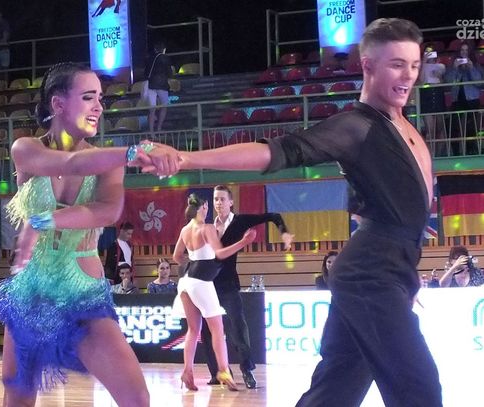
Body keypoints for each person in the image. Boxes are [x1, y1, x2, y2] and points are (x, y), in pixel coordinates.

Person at [136, 18, 443, 406]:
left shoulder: (401, 124)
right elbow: (276, 153)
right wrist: (186, 158)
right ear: (368, 65)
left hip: (384, 270)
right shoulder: (356, 126)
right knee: (420, 390)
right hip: (371, 273)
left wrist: (403, 276)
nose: (409, 75)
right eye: (397, 64)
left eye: (414, 65)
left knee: (335, 390)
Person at [0, 62, 150, 407]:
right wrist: (131, 153)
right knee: (18, 398)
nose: (99, 107)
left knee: (136, 398)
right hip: (32, 292)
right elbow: (68, 164)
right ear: (58, 103)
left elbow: (108, 211)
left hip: (84, 293)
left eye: (100, 99)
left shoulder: (106, 161)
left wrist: (44, 221)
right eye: (88, 97)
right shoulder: (25, 149)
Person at [200, 184, 293, 388]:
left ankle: (247, 370)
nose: (218, 203)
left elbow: (274, 216)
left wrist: (284, 233)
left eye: (222, 199)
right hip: (207, 285)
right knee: (207, 331)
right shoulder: (208, 227)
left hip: (228, 284)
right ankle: (217, 372)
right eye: (216, 199)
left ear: (231, 202)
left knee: (238, 327)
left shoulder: (240, 221)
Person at [172, 193, 256, 392]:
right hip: (201, 283)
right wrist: (243, 242)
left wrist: (194, 262)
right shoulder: (206, 228)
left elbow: (176, 257)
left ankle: (187, 371)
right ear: (205, 207)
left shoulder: (185, 229)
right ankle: (223, 370)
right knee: (217, 329)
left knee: (193, 330)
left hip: (185, 282)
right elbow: (220, 253)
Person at [444, 41, 483, 155]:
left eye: (466, 50)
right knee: (454, 126)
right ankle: (456, 152)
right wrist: (454, 68)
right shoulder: (452, 66)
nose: (464, 53)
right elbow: (448, 83)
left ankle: (471, 151)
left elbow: (479, 83)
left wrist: (471, 68)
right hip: (457, 99)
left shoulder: (476, 66)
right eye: (462, 50)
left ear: (470, 52)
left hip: (472, 99)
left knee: (471, 126)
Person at [419, 47, 446, 156]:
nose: (429, 54)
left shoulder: (441, 66)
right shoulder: (421, 66)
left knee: (440, 128)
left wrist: (439, 76)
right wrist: (424, 62)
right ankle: (431, 154)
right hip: (427, 96)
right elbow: (421, 81)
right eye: (427, 52)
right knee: (430, 130)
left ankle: (439, 154)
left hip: (438, 95)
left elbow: (444, 82)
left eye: (431, 52)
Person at [143, 41, 172, 132]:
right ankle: (159, 128)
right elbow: (169, 73)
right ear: (164, 50)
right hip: (162, 85)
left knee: (152, 109)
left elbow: (146, 73)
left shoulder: (149, 58)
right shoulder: (165, 58)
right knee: (164, 106)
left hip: (151, 85)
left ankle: (151, 132)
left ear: (155, 49)